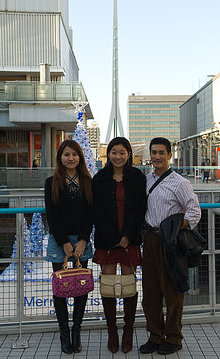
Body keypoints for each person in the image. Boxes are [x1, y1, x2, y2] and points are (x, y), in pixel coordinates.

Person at [139, 137, 201, 356]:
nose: (157, 156)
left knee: (173, 291)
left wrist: (174, 226)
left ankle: (173, 337)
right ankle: (155, 336)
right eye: (154, 152)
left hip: (171, 241)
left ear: (169, 155)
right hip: (150, 239)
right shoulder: (145, 180)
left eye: (161, 153)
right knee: (150, 292)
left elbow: (194, 211)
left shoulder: (180, 182)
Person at [92, 137, 146, 354]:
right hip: (107, 241)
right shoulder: (100, 178)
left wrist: (126, 235)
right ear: (108, 154)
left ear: (129, 154)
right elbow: (97, 210)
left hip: (129, 239)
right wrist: (113, 236)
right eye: (114, 152)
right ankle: (112, 331)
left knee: (128, 284)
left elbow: (140, 208)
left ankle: (128, 331)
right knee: (107, 285)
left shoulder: (137, 177)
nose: (118, 156)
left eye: (122, 152)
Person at [45, 140, 93, 355]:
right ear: (60, 158)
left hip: (82, 240)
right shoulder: (51, 182)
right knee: (61, 288)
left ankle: (76, 331)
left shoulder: (87, 181)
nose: (71, 158)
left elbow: (91, 213)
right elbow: (51, 215)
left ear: (80, 157)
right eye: (66, 154)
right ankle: (64, 332)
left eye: (74, 154)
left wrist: (83, 239)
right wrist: (64, 241)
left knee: (81, 286)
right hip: (59, 241)